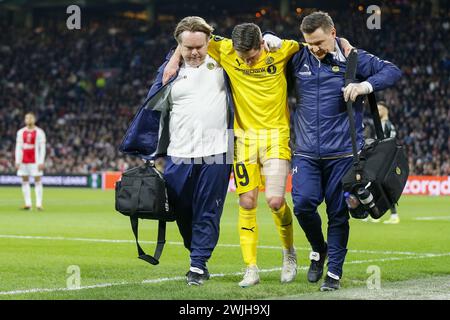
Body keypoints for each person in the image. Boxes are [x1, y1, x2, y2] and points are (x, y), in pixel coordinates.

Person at [163, 22, 302, 287]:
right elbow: (190, 38)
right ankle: (251, 267)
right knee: (247, 202)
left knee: (274, 201)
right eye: (242, 59)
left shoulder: (282, 49)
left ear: (261, 45)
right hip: (242, 140)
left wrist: (275, 36)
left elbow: (317, 44)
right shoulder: (225, 48)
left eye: (251, 58)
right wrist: (174, 59)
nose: (247, 64)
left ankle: (289, 252)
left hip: (275, 137)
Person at [288, 12, 402, 291]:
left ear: (333, 33)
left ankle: (334, 273)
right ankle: (319, 248)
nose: (314, 48)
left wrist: (365, 85)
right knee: (302, 205)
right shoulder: (297, 58)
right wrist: (268, 39)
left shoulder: (353, 59)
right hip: (305, 152)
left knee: (338, 214)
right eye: (308, 43)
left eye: (319, 42)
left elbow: (393, 71)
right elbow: (268, 50)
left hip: (343, 154)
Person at [120, 16, 233, 286]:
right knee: (181, 211)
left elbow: (243, 44)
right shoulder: (169, 72)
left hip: (217, 153)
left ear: (210, 42)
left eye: (200, 46)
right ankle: (196, 254)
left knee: (208, 210)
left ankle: (197, 264)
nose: (194, 53)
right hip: (179, 154)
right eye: (188, 48)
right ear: (178, 46)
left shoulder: (225, 64)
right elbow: (150, 109)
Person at [15, 112, 46, 211]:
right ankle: (28, 204)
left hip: (35, 160)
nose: (28, 120)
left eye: (30, 118)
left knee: (37, 180)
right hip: (23, 160)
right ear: (24, 120)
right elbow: (18, 147)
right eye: (26, 118)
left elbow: (43, 148)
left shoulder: (40, 132)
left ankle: (39, 204)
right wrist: (17, 160)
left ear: (34, 119)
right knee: (24, 180)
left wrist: (41, 161)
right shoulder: (20, 132)